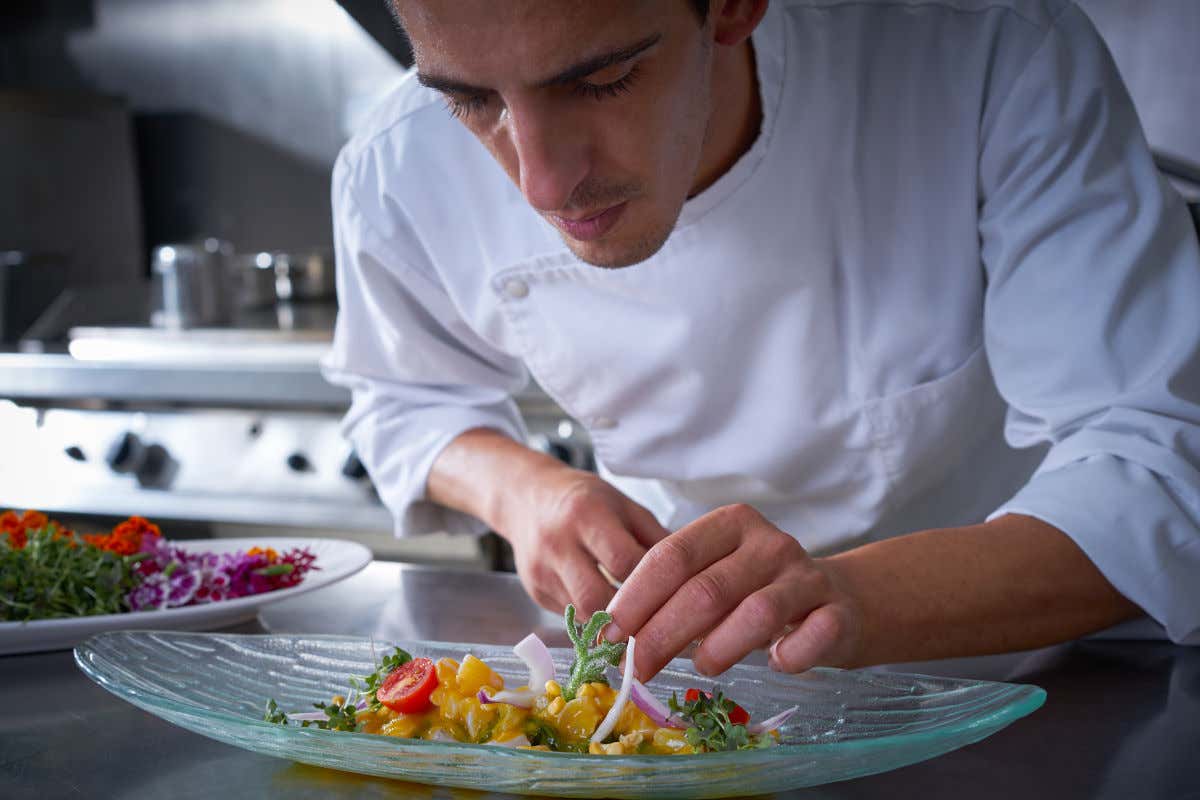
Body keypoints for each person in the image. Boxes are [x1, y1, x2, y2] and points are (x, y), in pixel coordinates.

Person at [322, 0, 1200, 681]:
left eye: (602, 80)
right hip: (696, 691)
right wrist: (529, 495)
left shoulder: (989, 56)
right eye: (472, 100)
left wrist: (848, 597)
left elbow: (1157, 470)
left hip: (1045, 672)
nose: (542, 182)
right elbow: (402, 400)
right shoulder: (397, 165)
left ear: (734, 8)